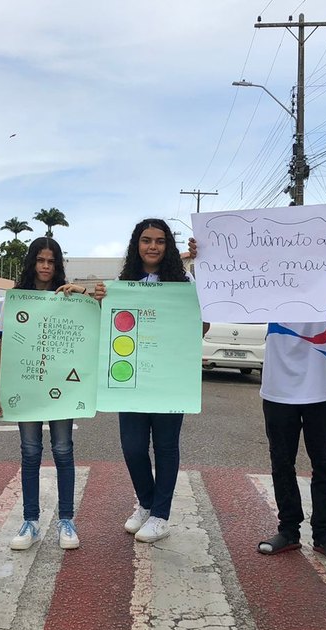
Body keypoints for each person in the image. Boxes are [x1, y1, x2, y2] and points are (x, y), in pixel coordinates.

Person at [94, 219, 202, 544]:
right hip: (133, 379)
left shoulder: (185, 282)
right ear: (136, 244)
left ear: (168, 245)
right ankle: (146, 502)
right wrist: (100, 302)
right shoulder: (122, 282)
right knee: (133, 447)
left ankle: (160, 515)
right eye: (146, 240)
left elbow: (201, 327)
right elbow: (108, 328)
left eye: (159, 241)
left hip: (170, 379)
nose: (153, 247)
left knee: (166, 447)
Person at [0, 237, 95, 550]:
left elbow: (94, 323)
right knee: (30, 451)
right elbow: (5, 345)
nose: (46, 267)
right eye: (40, 260)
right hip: (27, 387)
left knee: (63, 450)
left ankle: (66, 520)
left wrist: (83, 293)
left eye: (51, 261)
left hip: (62, 389)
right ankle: (30, 521)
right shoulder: (18, 298)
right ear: (32, 262)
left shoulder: (70, 297)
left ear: (58, 264)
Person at [253, 232, 326, 563]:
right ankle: (288, 531)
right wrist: (206, 258)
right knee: (282, 463)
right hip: (278, 391)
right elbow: (225, 286)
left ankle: (324, 535)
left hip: (321, 392)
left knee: (324, 464)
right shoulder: (266, 286)